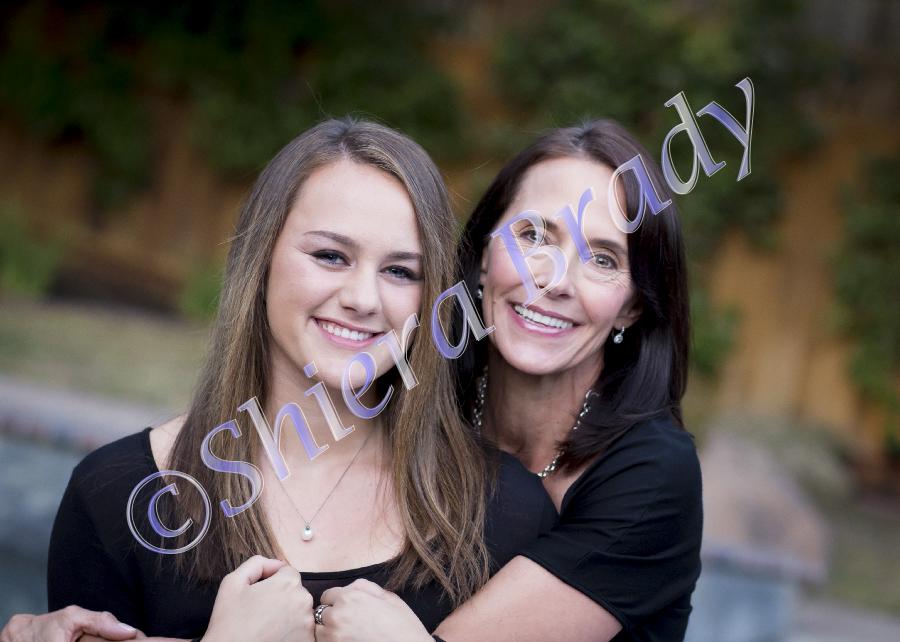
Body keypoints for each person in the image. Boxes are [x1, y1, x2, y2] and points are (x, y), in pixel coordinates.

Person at [3, 118, 701, 642]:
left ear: (634, 304)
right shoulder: (117, 497)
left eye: (399, 270)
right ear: (480, 258)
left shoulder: (527, 507)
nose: (364, 298)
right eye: (331, 256)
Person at [314, 119, 702, 641]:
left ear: (632, 307)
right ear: (483, 255)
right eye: (534, 236)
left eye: (603, 258)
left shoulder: (653, 476)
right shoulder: (419, 394)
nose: (555, 280)